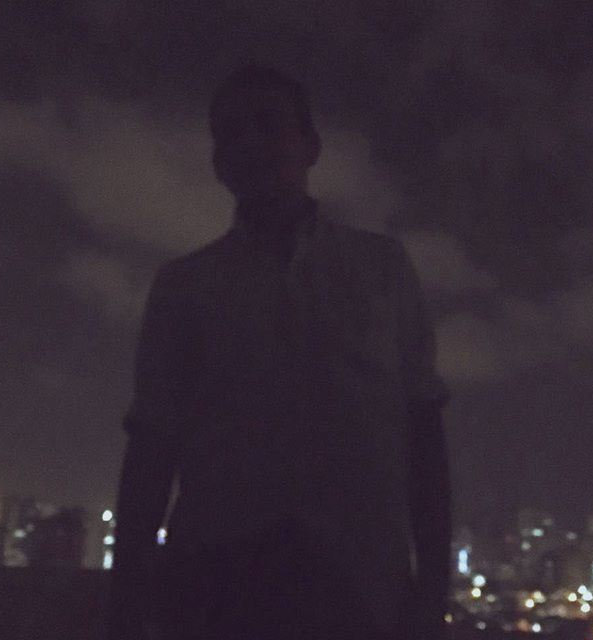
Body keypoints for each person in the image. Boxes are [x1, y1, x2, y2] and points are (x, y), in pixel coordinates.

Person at [107, 65, 451, 640]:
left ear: (311, 145)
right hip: (217, 588)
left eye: (267, 124)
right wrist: (126, 604)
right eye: (230, 133)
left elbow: (423, 431)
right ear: (218, 162)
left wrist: (433, 591)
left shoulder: (383, 270)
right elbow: (151, 446)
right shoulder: (183, 286)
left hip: (358, 587)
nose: (248, 144)